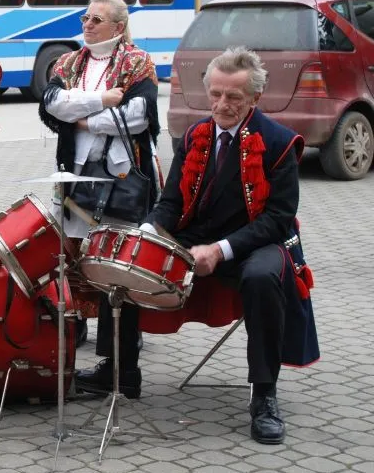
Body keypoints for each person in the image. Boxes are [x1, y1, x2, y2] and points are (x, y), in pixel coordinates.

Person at [74, 46, 318, 445]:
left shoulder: (280, 143)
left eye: (233, 97)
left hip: (255, 241)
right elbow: (171, 203)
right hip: (196, 235)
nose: (221, 105)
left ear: (255, 98)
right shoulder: (194, 135)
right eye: (215, 94)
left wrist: (220, 250)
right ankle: (120, 371)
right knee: (125, 255)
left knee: (262, 277)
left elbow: (278, 219)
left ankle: (264, 395)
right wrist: (148, 231)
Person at [40, 0, 161, 352]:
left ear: (118, 26)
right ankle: (74, 324)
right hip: (74, 172)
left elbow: (139, 116)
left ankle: (120, 338)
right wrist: (101, 101)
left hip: (120, 176)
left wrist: (83, 121)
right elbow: (52, 103)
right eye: (85, 18)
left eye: (96, 19)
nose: (87, 25)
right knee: (72, 253)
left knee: (115, 256)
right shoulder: (68, 62)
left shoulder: (138, 62)